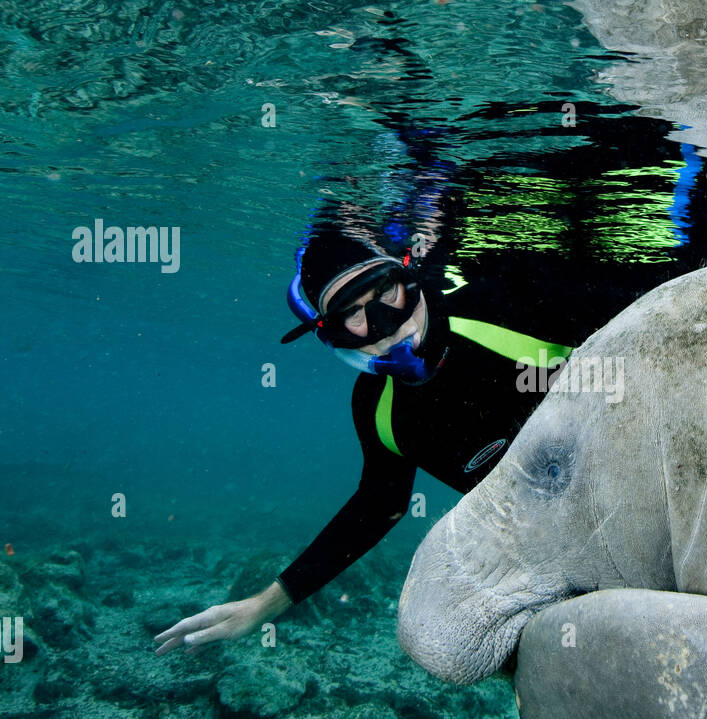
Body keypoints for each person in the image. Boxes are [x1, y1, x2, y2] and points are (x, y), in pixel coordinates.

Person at [153, 206, 672, 655]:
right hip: (581, 552)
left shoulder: (507, 302)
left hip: (669, 485)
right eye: (353, 315)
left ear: (412, 281)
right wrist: (267, 602)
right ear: (333, 336)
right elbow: (381, 503)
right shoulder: (378, 408)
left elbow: (664, 312)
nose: (384, 322)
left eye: (386, 293)